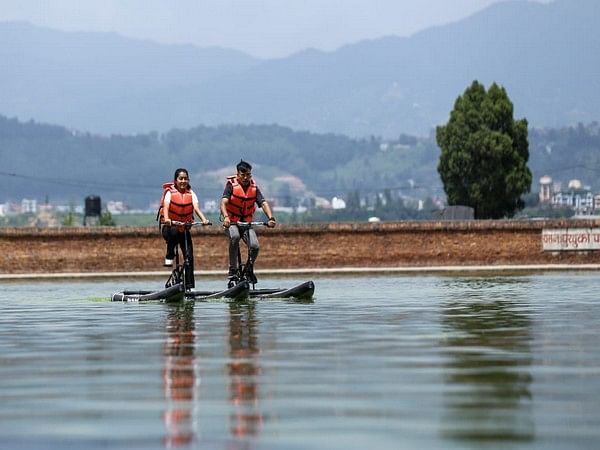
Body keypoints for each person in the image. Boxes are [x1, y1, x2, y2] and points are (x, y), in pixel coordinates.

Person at [220, 160, 276, 286]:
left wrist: (271, 218)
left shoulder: (254, 188)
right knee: (234, 237)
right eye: (243, 174)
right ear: (238, 174)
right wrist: (226, 218)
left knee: (255, 246)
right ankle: (233, 270)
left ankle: (249, 269)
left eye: (248, 175)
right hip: (232, 223)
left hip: (246, 224)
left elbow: (263, 203)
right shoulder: (231, 185)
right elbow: (223, 203)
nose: (245, 178)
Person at [160, 168, 210, 288]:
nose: (183, 181)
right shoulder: (169, 193)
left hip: (184, 229)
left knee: (189, 257)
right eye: (180, 178)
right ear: (175, 180)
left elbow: (196, 208)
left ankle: (189, 285)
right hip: (170, 227)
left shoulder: (191, 193)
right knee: (173, 231)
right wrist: (167, 219)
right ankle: (169, 255)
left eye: (185, 178)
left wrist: (204, 220)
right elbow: (166, 207)